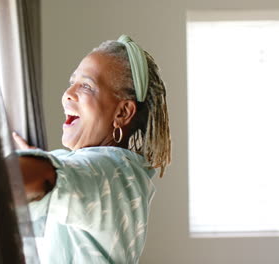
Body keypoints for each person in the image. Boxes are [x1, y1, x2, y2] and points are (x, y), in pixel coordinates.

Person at [13, 35, 171, 264]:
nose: (68, 93)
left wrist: (31, 167)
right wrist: (38, 159)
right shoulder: (123, 175)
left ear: (122, 113)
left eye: (87, 86)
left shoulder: (111, 171)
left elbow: (46, 179)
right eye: (72, 81)